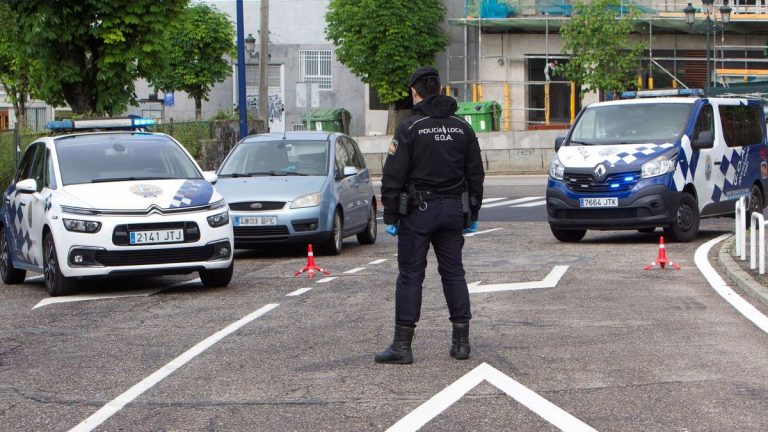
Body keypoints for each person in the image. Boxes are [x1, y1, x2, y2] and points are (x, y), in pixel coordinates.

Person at [375, 66, 484, 365]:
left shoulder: (410, 128)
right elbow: (476, 174)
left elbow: (393, 176)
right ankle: (461, 344)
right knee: (454, 274)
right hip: (452, 212)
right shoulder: (463, 127)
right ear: (439, 89)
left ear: (415, 91)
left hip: (418, 213)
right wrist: (473, 212)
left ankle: (402, 346)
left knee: (410, 276)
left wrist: (391, 217)